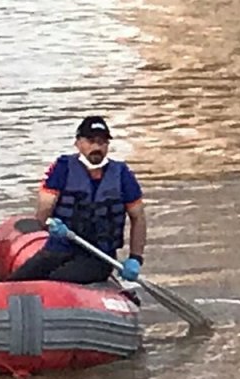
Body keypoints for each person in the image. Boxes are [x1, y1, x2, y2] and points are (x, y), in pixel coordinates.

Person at [9, 115, 147, 284]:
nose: (97, 146)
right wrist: (48, 224)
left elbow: (138, 217)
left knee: (56, 282)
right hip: (59, 248)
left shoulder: (122, 174)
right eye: (91, 141)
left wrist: (135, 258)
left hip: (98, 256)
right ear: (78, 143)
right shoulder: (62, 167)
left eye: (102, 142)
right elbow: (44, 208)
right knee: (17, 281)